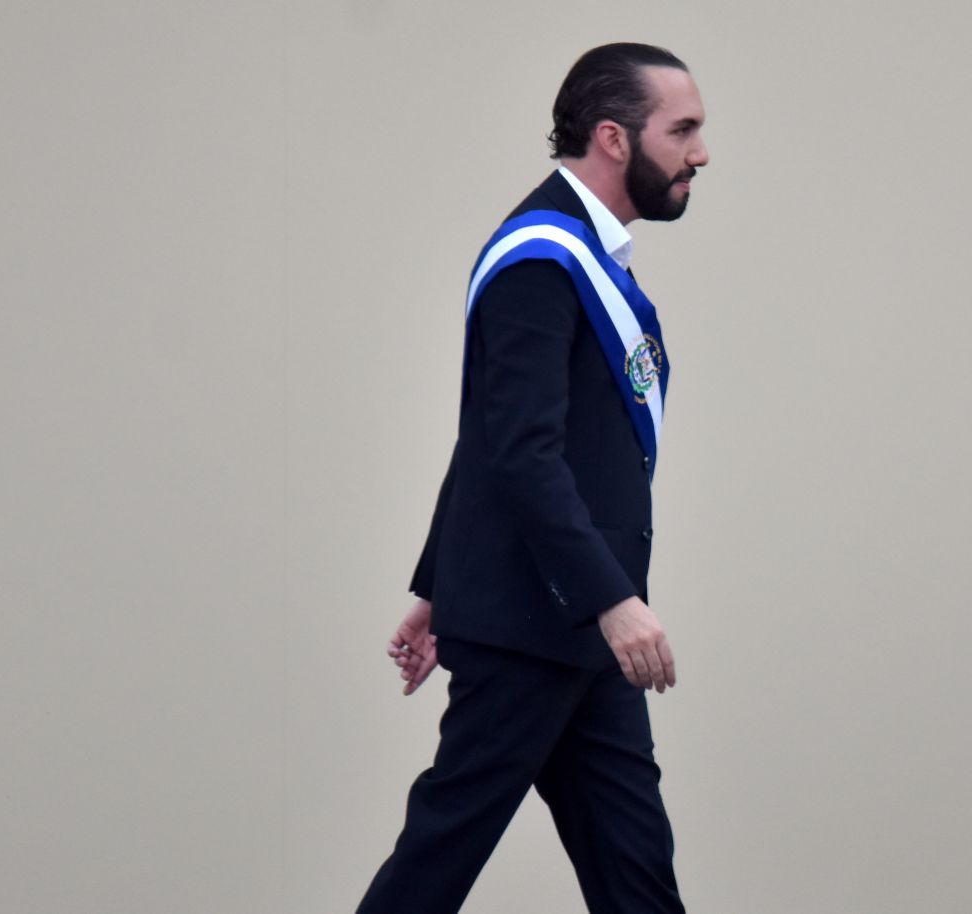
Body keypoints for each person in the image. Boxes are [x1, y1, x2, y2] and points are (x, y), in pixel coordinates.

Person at [357, 43, 709, 914]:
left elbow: (488, 437)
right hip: (533, 629)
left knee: (639, 882)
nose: (702, 151)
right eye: (684, 129)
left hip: (576, 631)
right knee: (432, 869)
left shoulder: (587, 250)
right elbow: (516, 450)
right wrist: (610, 597)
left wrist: (440, 587)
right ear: (613, 138)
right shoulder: (541, 257)